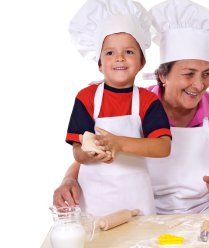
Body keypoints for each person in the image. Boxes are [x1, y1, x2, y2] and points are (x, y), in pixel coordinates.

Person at [54, 0, 209, 214]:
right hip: (145, 209)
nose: (199, 84)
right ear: (162, 76)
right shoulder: (137, 104)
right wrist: (68, 179)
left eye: (206, 74)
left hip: (207, 208)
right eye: (189, 74)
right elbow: (92, 151)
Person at [65, 0, 171, 217]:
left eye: (129, 52)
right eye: (110, 53)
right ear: (100, 63)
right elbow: (77, 151)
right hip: (95, 201)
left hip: (136, 200)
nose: (120, 58)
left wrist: (119, 143)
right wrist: (91, 153)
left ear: (142, 61)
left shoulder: (148, 100)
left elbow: (163, 147)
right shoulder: (86, 98)